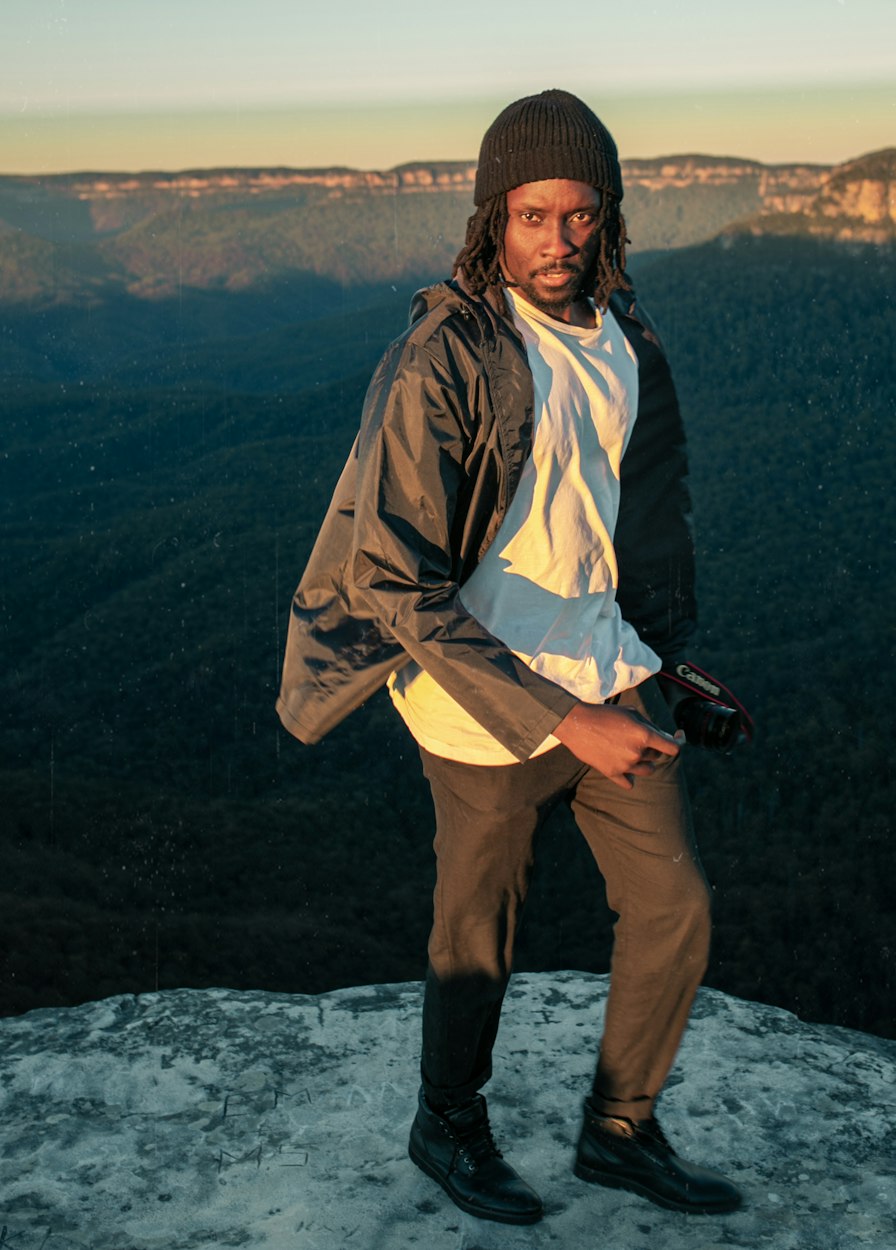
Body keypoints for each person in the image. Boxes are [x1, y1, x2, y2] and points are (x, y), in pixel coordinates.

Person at [277, 89, 750, 1226]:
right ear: (494, 218)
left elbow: (628, 521)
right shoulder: (446, 356)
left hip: (608, 672)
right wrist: (554, 714)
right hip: (475, 698)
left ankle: (619, 1129)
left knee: (675, 907)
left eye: (579, 215)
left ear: (610, 218)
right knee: (475, 934)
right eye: (531, 216)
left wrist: (661, 663)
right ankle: (447, 1123)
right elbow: (389, 577)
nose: (557, 241)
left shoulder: (629, 340)